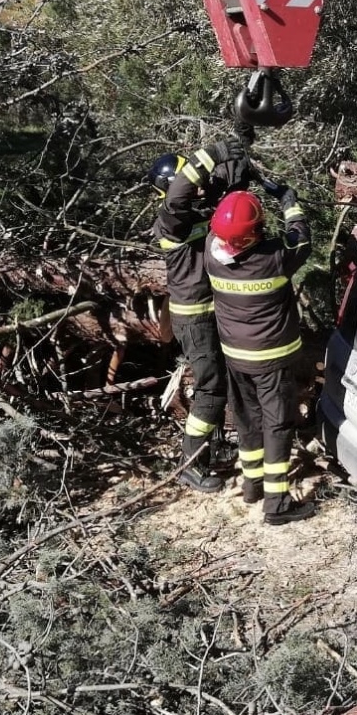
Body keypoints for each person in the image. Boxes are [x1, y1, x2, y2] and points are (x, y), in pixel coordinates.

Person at [205, 183, 315, 525]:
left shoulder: (211, 250)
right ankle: (277, 503)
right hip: (273, 358)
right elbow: (301, 235)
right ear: (257, 229)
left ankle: (251, 485)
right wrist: (289, 201)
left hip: (235, 357)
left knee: (247, 420)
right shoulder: (274, 257)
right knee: (277, 425)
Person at [148, 139, 248, 491]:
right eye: (189, 180)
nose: (199, 187)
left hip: (212, 312)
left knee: (221, 380)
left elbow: (230, 186)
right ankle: (191, 463)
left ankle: (215, 446)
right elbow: (181, 193)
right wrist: (211, 154)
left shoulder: (196, 209)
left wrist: (241, 144)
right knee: (210, 388)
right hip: (193, 318)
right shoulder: (170, 218)